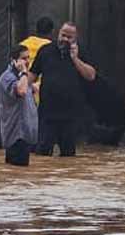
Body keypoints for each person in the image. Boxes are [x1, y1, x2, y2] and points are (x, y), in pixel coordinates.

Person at [29, 21, 96, 157]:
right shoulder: (45, 51)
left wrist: (75, 59)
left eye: (69, 37)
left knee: (68, 156)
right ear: (58, 33)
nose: (65, 39)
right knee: (42, 153)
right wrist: (22, 87)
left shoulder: (81, 52)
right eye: (63, 35)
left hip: (70, 115)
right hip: (47, 112)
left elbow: (91, 76)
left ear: (75, 39)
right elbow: (32, 75)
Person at [0, 45, 38, 166]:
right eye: (24, 59)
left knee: (20, 176)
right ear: (14, 61)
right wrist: (24, 72)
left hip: (26, 135)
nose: (27, 62)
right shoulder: (8, 78)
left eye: (28, 58)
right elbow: (21, 91)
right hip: (16, 135)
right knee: (18, 172)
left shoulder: (23, 78)